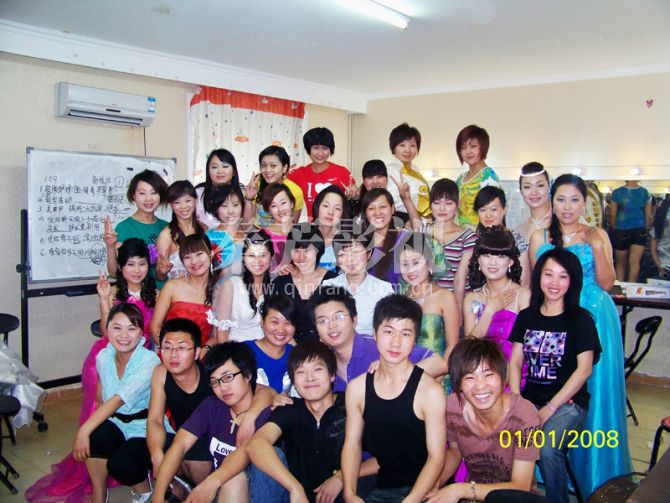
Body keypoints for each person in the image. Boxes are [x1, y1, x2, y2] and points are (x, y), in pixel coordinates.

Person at [528, 174, 631, 496]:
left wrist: (596, 246)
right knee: (553, 384)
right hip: (553, 316)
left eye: (574, 200)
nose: (567, 207)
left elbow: (607, 282)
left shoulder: (597, 234)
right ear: (552, 201)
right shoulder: (540, 236)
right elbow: (535, 284)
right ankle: (549, 469)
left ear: (584, 203)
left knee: (593, 392)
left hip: (593, 315)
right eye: (561, 199)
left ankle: (595, 473)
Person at [509, 248, 602, 503]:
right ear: (538, 276)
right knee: (506, 438)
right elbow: (515, 362)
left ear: (573, 281)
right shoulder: (527, 316)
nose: (554, 283)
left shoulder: (581, 320)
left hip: (568, 404)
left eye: (563, 276)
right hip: (530, 400)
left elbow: (584, 369)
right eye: (548, 274)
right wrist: (516, 400)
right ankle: (522, 492)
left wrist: (550, 408)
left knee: (548, 448)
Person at [341, 294, 447, 503]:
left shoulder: (430, 391)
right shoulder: (357, 389)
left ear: (415, 340)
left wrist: (412, 499)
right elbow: (352, 445)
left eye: (405, 334)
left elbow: (436, 457)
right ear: (374, 334)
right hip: (383, 488)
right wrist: (349, 493)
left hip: (425, 490)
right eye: (388, 331)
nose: (396, 342)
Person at [152, 342, 276, 503]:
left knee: (234, 479)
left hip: (256, 495)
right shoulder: (212, 406)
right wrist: (158, 495)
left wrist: (208, 485)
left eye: (228, 377)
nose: (223, 387)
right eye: (215, 382)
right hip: (217, 491)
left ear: (248, 375)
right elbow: (180, 444)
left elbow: (245, 454)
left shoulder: (267, 413)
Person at [426, 338, 539, 503]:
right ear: (459, 384)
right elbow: (455, 452)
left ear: (503, 377)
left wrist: (460, 490)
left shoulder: (525, 415)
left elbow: (521, 486)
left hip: (515, 499)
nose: (480, 386)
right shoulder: (453, 407)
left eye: (489, 375)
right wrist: (436, 483)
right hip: (473, 496)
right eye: (469, 378)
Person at [72, 303, 160, 503]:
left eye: (131, 329)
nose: (124, 335)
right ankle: (99, 492)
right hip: (116, 421)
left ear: (141, 333)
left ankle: (141, 484)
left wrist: (83, 430)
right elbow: (102, 385)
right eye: (117, 328)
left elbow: (119, 399)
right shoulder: (104, 356)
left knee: (121, 465)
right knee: (95, 438)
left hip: (144, 426)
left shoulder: (150, 361)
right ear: (107, 329)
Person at [246, 341, 352, 503]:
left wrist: (341, 477)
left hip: (344, 495)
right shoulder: (289, 408)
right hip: (295, 498)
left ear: (332, 375)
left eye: (317, 369)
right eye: (301, 372)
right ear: (294, 382)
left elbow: (380, 458)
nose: (310, 378)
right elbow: (256, 444)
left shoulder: (350, 405)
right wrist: (295, 488)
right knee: (269, 454)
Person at [311, 287, 447, 392]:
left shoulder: (380, 345)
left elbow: (439, 364)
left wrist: (393, 371)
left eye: (338, 317)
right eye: (322, 321)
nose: (332, 325)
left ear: (354, 320)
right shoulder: (322, 362)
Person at [86, 238, 156, 420]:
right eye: (130, 264)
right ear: (120, 267)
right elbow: (106, 332)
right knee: (103, 405)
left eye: (142, 264)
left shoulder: (156, 295)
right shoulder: (112, 292)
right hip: (111, 352)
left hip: (142, 356)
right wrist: (104, 300)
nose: (137, 270)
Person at [147, 318, 213, 491]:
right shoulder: (161, 373)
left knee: (195, 458)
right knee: (148, 448)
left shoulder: (211, 375)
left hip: (211, 440)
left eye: (182, 348)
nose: (173, 354)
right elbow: (155, 420)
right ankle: (180, 488)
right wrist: (156, 454)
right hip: (181, 438)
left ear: (197, 352)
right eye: (167, 348)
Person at [463, 226, 530, 388]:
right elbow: (468, 348)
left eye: (500, 256)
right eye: (486, 255)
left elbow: (526, 348)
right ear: (478, 260)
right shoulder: (472, 298)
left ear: (511, 261)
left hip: (515, 379)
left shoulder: (523, 295)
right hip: (480, 379)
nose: (493, 262)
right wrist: (490, 310)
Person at [399, 232, 459, 392]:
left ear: (430, 263)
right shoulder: (400, 299)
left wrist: (437, 379)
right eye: (404, 264)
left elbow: (453, 346)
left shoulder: (445, 297)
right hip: (404, 379)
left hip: (439, 378)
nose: (410, 270)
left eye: (416, 262)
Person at [272, 224, 337, 342]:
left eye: (307, 250)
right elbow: (273, 321)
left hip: (327, 344)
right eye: (296, 250)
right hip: (287, 344)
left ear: (318, 250)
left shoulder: (334, 282)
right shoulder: (281, 282)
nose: (301, 257)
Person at [420, 178, 478, 312]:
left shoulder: (468, 237)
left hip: (459, 302)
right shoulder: (421, 233)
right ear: (430, 205)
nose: (442, 208)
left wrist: (457, 313)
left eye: (448, 203)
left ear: (457, 205)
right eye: (436, 203)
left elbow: (460, 279)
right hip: (429, 305)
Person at [322, 230, 393, 335]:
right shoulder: (328, 286)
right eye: (342, 254)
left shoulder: (384, 290)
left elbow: (388, 330)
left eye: (356, 253)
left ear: (369, 253)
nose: (350, 259)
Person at [150, 235, 216, 348]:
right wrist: (169, 351)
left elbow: (217, 334)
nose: (194, 261)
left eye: (199, 254)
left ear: (211, 254)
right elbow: (155, 327)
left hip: (203, 355)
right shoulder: (172, 287)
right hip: (171, 353)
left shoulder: (219, 290)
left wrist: (204, 350)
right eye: (187, 257)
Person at [104, 169, 169, 283]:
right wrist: (110, 247)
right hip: (139, 293)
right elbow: (115, 273)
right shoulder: (124, 228)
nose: (148, 199)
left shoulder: (167, 227)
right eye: (142, 193)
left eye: (154, 193)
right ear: (134, 195)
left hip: (166, 290)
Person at [211, 230, 274, 342]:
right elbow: (222, 331)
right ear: (244, 259)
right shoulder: (231, 285)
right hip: (237, 348)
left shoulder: (276, 285)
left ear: (271, 258)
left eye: (263, 255)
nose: (257, 261)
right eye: (251, 255)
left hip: (268, 346)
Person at [287, 127, 356, 222]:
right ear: (308, 149)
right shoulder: (297, 174)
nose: (320, 153)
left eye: (325, 148)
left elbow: (356, 192)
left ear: (330, 149)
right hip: (312, 228)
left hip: (335, 227)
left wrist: (352, 195)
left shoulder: (342, 172)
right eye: (315, 148)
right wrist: (282, 173)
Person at [474, 186, 531, 285]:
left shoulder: (517, 240)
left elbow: (524, 281)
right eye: (482, 210)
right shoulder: (474, 240)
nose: (488, 215)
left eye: (493, 209)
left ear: (505, 209)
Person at [155, 180, 206, 281]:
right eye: (177, 202)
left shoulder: (204, 228)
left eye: (188, 200)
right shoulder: (166, 235)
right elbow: (159, 276)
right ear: (171, 205)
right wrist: (162, 271)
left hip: (203, 287)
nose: (183, 207)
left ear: (195, 200)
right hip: (177, 289)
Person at [360, 188, 410, 288]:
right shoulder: (360, 244)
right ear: (365, 213)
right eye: (371, 208)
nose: (377, 213)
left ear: (392, 209)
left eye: (382, 207)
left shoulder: (406, 239)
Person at [246, 295, 296, 393]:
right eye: (274, 322)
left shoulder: (295, 355)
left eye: (288, 323)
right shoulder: (244, 351)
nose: (281, 330)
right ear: (262, 322)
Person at [455, 125, 500, 228]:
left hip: (481, 233)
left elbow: (495, 215)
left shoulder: (489, 177)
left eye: (473, 146)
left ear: (483, 147)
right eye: (463, 147)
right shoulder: (460, 178)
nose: (468, 151)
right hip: (459, 233)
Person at [247, 145, 304, 226]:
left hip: (281, 232)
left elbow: (293, 224)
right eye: (264, 165)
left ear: (284, 168)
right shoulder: (255, 186)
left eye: (273, 165)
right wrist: (249, 198)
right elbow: (246, 227)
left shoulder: (295, 190)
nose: (268, 170)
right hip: (256, 232)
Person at [385, 123, 431, 221]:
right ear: (393, 148)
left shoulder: (416, 170)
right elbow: (393, 200)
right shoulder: (389, 170)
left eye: (412, 145)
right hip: (403, 220)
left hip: (423, 221)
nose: (408, 150)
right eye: (402, 145)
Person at [610, 180, 651, 282]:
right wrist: (646, 228)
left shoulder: (617, 192)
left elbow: (612, 216)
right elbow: (648, 216)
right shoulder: (645, 193)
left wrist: (614, 226)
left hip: (621, 228)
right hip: (640, 228)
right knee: (635, 262)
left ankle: (621, 287)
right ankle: (631, 287)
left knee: (620, 263)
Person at [195, 148, 243, 230]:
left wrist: (249, 199)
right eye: (214, 167)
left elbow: (247, 226)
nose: (220, 171)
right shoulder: (198, 193)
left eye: (225, 166)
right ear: (208, 171)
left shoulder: (241, 192)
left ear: (234, 171)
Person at [205, 184, 247, 276]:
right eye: (224, 206)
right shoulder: (209, 237)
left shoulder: (248, 238)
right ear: (216, 209)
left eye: (235, 205)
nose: (230, 211)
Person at [312, 185, 351, 270]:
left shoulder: (348, 241)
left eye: (337, 208)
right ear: (317, 207)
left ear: (342, 213)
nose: (330, 212)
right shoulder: (303, 235)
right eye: (326, 206)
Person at [260, 182, 297, 266]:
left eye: (283, 203)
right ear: (269, 211)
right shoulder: (263, 235)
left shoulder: (303, 232)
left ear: (291, 203)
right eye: (274, 206)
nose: (280, 209)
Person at [516, 162, 552, 242]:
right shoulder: (520, 230)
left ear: (548, 187)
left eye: (540, 185)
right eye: (527, 187)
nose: (534, 192)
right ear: (521, 191)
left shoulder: (563, 221)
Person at [650, 196, 670, 278]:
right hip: (663, 267)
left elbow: (653, 249)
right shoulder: (659, 227)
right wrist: (660, 268)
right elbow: (653, 249)